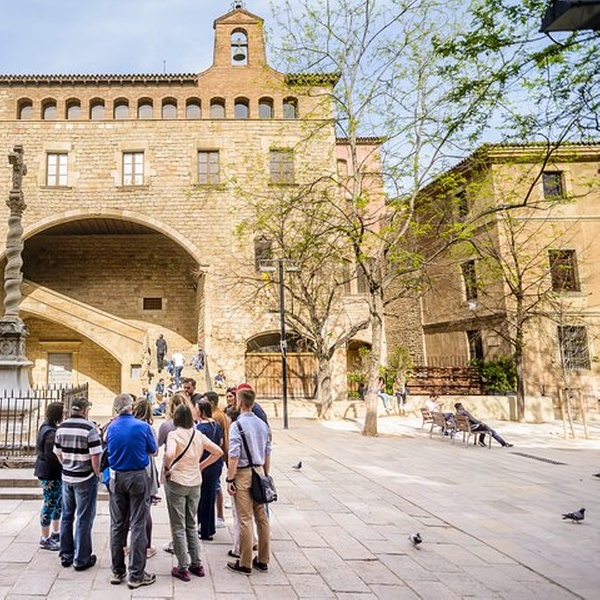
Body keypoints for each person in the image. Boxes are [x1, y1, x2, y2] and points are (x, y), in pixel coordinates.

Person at [164, 403, 222, 582]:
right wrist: (201, 465)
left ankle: (183, 566)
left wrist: (167, 467)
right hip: (195, 482)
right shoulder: (198, 434)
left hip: (177, 481)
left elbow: (170, 454)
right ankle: (196, 563)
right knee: (191, 523)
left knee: (178, 526)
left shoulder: (174, 435)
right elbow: (218, 451)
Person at [105, 394, 158, 589]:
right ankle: (136, 574)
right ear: (131, 408)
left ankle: (117, 570)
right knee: (138, 524)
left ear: (116, 409)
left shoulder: (110, 428)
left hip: (117, 476)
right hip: (137, 476)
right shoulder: (142, 426)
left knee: (117, 524)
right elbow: (153, 450)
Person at [226, 385, 271, 575]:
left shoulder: (237, 425)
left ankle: (245, 562)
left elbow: (234, 455)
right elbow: (267, 452)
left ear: (240, 402)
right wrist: (265, 474)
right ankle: (263, 558)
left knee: (245, 518)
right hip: (259, 470)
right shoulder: (263, 425)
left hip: (243, 473)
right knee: (262, 518)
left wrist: (230, 478)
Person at [53, 397, 102, 571]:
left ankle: (66, 554)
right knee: (84, 518)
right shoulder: (89, 428)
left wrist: (67, 465)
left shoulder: (61, 427)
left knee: (67, 515)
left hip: (67, 477)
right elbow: (95, 455)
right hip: (85, 478)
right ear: (84, 410)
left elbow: (57, 452)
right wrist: (96, 473)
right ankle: (81, 558)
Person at [34, 401, 64, 551]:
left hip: (52, 473)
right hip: (50, 473)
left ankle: (55, 532)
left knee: (57, 503)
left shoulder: (46, 427)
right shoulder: (50, 432)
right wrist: (64, 464)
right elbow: (51, 456)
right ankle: (45, 538)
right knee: (50, 503)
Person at [195, 400, 224, 540]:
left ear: (201, 411)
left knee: (202, 498)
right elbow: (221, 442)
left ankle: (204, 528)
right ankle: (209, 528)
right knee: (210, 495)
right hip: (216, 464)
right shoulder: (216, 425)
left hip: (204, 464)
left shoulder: (200, 428)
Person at [205, 391, 229, 528]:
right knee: (216, 485)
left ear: (212, 403)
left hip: (216, 455)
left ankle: (219, 516)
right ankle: (218, 515)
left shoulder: (215, 417)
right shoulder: (221, 414)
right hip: (221, 454)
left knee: (216, 486)